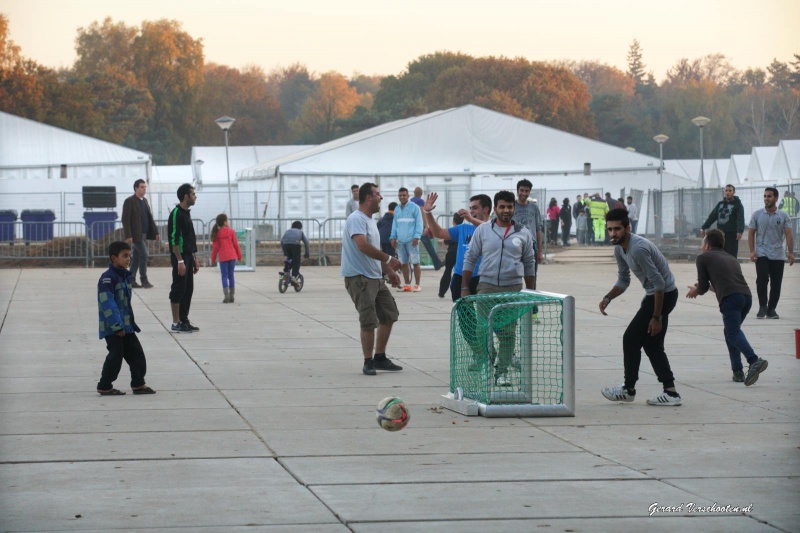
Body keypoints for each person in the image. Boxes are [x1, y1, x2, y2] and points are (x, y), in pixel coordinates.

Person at [599, 208, 682, 406]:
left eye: (617, 229)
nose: (613, 233)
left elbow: (659, 283)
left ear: (627, 227)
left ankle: (628, 389)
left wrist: (657, 317)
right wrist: (608, 297)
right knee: (652, 344)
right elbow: (623, 280)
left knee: (631, 338)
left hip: (663, 295)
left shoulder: (638, 248)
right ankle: (670, 393)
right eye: (609, 229)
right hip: (656, 295)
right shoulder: (619, 248)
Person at [462, 191, 536, 386]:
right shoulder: (484, 230)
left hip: (512, 288)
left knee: (508, 333)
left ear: (514, 208)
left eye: (509, 207)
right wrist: (464, 286)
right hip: (486, 287)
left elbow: (529, 263)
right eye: (502, 206)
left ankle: (501, 372)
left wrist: (531, 291)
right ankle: (487, 362)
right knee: (481, 330)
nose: (506, 210)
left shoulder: (523, 232)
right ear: (495, 209)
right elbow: (470, 257)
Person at [686, 229, 768, 385]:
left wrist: (696, 290)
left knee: (733, 332)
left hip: (731, 299)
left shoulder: (703, 258)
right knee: (730, 332)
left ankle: (754, 360)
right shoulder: (731, 258)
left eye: (703, 242)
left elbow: (702, 287)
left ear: (708, 245)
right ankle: (737, 371)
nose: (702, 246)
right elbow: (724, 283)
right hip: (746, 297)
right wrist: (708, 287)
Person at [341, 182, 404, 376]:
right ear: (369, 197)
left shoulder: (370, 221)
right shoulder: (356, 219)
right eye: (378, 194)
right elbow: (362, 246)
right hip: (360, 279)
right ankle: (368, 361)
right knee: (368, 321)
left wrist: (389, 271)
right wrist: (389, 258)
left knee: (389, 314)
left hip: (375, 277)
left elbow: (372, 252)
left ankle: (380, 357)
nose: (381, 198)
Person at [96, 241, 155, 396]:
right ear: (114, 258)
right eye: (125, 256)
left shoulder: (124, 276)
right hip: (114, 328)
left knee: (137, 356)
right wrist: (116, 325)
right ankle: (104, 385)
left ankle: (138, 384)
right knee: (115, 357)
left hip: (126, 326)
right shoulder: (108, 279)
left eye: (129, 255)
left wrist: (127, 324)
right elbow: (108, 303)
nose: (129, 259)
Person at [422, 192, 491, 301]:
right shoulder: (463, 228)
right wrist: (428, 212)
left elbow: (488, 228)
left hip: (484, 278)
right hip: (460, 277)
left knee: (484, 315)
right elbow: (438, 232)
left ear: (486, 209)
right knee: (465, 316)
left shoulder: (494, 228)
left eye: (475, 208)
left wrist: (471, 219)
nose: (471, 211)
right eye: (470, 208)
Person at [748, 187, 795, 319]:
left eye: (769, 196)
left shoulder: (783, 216)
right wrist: (752, 251)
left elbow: (789, 234)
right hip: (762, 252)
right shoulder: (757, 215)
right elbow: (751, 233)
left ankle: (771, 309)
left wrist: (790, 252)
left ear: (775, 198)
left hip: (778, 254)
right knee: (762, 279)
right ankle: (762, 306)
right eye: (765, 196)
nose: (766, 199)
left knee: (776, 283)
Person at [167, 184, 200, 334]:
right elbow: (174, 240)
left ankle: (184, 320)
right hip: (179, 256)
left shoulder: (187, 213)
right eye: (193, 194)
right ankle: (175, 322)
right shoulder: (176, 214)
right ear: (186, 196)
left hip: (187, 255)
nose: (195, 196)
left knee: (188, 289)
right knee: (179, 288)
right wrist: (180, 261)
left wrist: (194, 258)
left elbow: (188, 239)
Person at [121, 179, 159, 289]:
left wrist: (155, 232)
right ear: (136, 188)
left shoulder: (145, 201)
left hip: (144, 234)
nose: (144, 189)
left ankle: (130, 279)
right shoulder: (129, 201)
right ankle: (144, 279)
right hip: (135, 235)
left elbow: (150, 218)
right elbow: (125, 219)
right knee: (144, 254)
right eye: (142, 187)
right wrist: (128, 235)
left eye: (145, 187)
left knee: (137, 257)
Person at [390, 187, 424, 292]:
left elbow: (419, 223)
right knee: (404, 263)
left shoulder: (415, 207)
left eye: (404, 195)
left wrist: (417, 236)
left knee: (415, 262)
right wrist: (393, 237)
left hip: (412, 240)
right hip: (401, 241)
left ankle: (417, 285)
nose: (402, 197)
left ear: (408, 196)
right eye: (400, 195)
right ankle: (407, 284)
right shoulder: (397, 209)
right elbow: (394, 225)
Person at [701, 184, 745, 258]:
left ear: (734, 192)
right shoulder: (720, 204)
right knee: (719, 253)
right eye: (726, 190)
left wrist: (739, 231)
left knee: (731, 254)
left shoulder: (738, 205)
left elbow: (740, 218)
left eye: (730, 191)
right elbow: (712, 216)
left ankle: (732, 268)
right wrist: (704, 227)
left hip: (732, 234)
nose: (728, 192)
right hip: (720, 233)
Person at [513, 179, 544, 282]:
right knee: (514, 277)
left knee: (531, 277)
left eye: (527, 191)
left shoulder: (534, 208)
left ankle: (531, 295)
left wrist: (540, 251)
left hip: (531, 247)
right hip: (514, 246)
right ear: (517, 191)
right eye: (521, 190)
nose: (524, 193)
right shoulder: (511, 206)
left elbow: (538, 230)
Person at [410, 186, 445, 270]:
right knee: (428, 245)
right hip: (419, 226)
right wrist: (426, 226)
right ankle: (437, 263)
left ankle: (408, 264)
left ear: (414, 193)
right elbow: (423, 213)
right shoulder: (420, 201)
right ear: (421, 194)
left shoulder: (410, 201)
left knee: (410, 245)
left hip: (411, 226)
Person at [210, 214, 243, 304]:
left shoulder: (217, 233)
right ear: (225, 222)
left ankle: (226, 296)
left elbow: (215, 248)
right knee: (231, 275)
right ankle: (232, 296)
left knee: (224, 275)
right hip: (232, 256)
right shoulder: (231, 231)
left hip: (223, 258)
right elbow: (236, 245)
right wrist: (239, 256)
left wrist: (212, 259)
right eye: (227, 220)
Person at [438, 213, 463, 298]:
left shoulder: (452, 230)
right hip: (461, 252)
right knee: (460, 273)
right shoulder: (463, 230)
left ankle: (442, 292)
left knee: (447, 271)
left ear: (453, 221)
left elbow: (446, 241)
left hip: (451, 252)